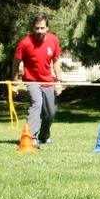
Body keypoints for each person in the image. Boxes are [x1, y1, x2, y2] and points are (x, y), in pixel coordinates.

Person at [11, 14, 62, 148]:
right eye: (37, 28)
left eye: (42, 28)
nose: (39, 31)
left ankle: (44, 136)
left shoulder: (53, 40)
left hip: (48, 81)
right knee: (37, 104)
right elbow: (16, 62)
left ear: (47, 28)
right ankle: (30, 137)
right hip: (32, 80)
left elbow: (56, 61)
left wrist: (58, 81)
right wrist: (14, 83)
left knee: (50, 112)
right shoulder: (25, 43)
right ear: (33, 29)